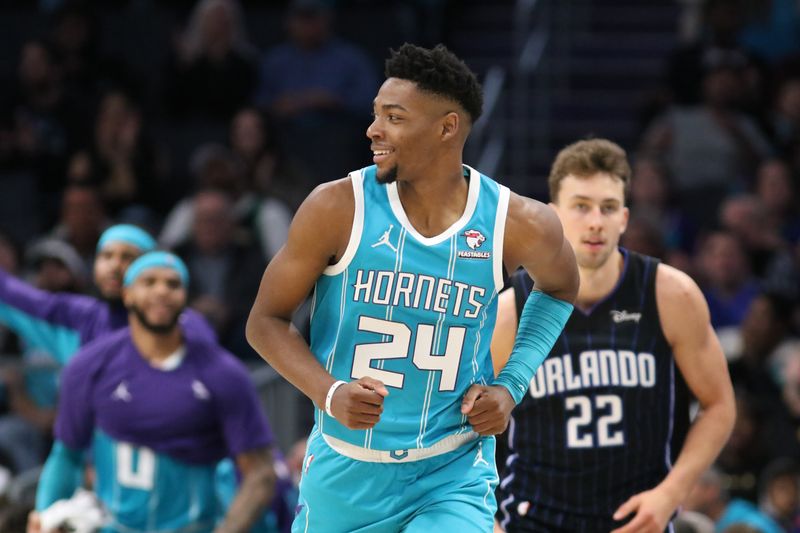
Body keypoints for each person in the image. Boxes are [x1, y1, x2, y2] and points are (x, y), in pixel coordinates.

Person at [246, 43, 579, 532]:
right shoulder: (336, 207)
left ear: (447, 128)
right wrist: (329, 391)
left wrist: (511, 385)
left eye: (394, 118)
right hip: (345, 469)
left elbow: (560, 289)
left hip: (451, 468)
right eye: (376, 114)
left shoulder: (519, 222)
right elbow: (264, 322)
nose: (373, 130)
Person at [492, 139, 736, 532]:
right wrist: (485, 517)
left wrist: (671, 494)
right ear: (553, 216)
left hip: (636, 520)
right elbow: (461, 426)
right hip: (533, 520)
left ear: (624, 218)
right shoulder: (510, 312)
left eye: (607, 208)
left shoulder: (671, 295)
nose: (595, 221)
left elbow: (719, 405)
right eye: (582, 206)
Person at [28, 251, 277, 533]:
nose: (162, 291)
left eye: (173, 284)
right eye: (149, 282)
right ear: (127, 295)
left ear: (185, 297)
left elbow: (260, 472)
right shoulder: (88, 366)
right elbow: (67, 455)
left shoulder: (224, 373)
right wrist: (45, 514)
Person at [0, 223, 215, 367]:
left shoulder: (186, 326)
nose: (114, 266)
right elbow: (12, 294)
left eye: (127, 257)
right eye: (106, 255)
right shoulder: (80, 316)